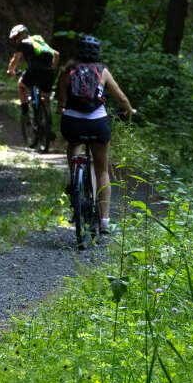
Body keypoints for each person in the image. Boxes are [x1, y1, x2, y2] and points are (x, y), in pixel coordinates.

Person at [56, 33, 134, 234]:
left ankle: (74, 178)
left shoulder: (69, 70)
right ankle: (105, 221)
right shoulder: (103, 71)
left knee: (73, 144)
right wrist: (129, 111)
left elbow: (61, 99)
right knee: (102, 170)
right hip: (97, 124)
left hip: (72, 123)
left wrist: (62, 107)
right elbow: (121, 97)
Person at [5, 23, 60, 122]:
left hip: (34, 72)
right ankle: (48, 127)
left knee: (21, 85)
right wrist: (52, 68)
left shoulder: (23, 43)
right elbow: (56, 54)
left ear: (24, 34)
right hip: (49, 73)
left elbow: (15, 60)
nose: (17, 40)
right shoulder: (38, 41)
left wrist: (10, 71)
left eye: (17, 37)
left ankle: (25, 114)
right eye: (15, 38)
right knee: (46, 99)